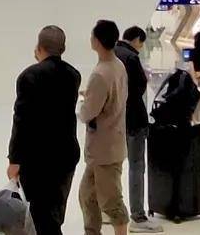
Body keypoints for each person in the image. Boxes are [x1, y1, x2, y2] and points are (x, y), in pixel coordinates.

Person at [8, 25, 81, 235]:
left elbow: (21, 121)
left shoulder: (28, 77)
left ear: (39, 47)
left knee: (40, 217)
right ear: (63, 48)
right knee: (54, 213)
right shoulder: (73, 75)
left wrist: (14, 159)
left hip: (37, 160)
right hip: (66, 155)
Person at [77, 20, 130, 235]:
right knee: (87, 196)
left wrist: (83, 105)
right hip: (110, 145)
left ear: (97, 41)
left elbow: (88, 112)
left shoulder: (100, 73)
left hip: (104, 150)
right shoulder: (118, 66)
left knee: (111, 202)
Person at [114, 26, 161, 233]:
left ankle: (111, 211)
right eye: (141, 44)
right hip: (134, 119)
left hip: (115, 121)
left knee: (112, 167)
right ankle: (138, 216)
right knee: (136, 166)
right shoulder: (132, 58)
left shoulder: (112, 53)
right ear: (136, 40)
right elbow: (140, 86)